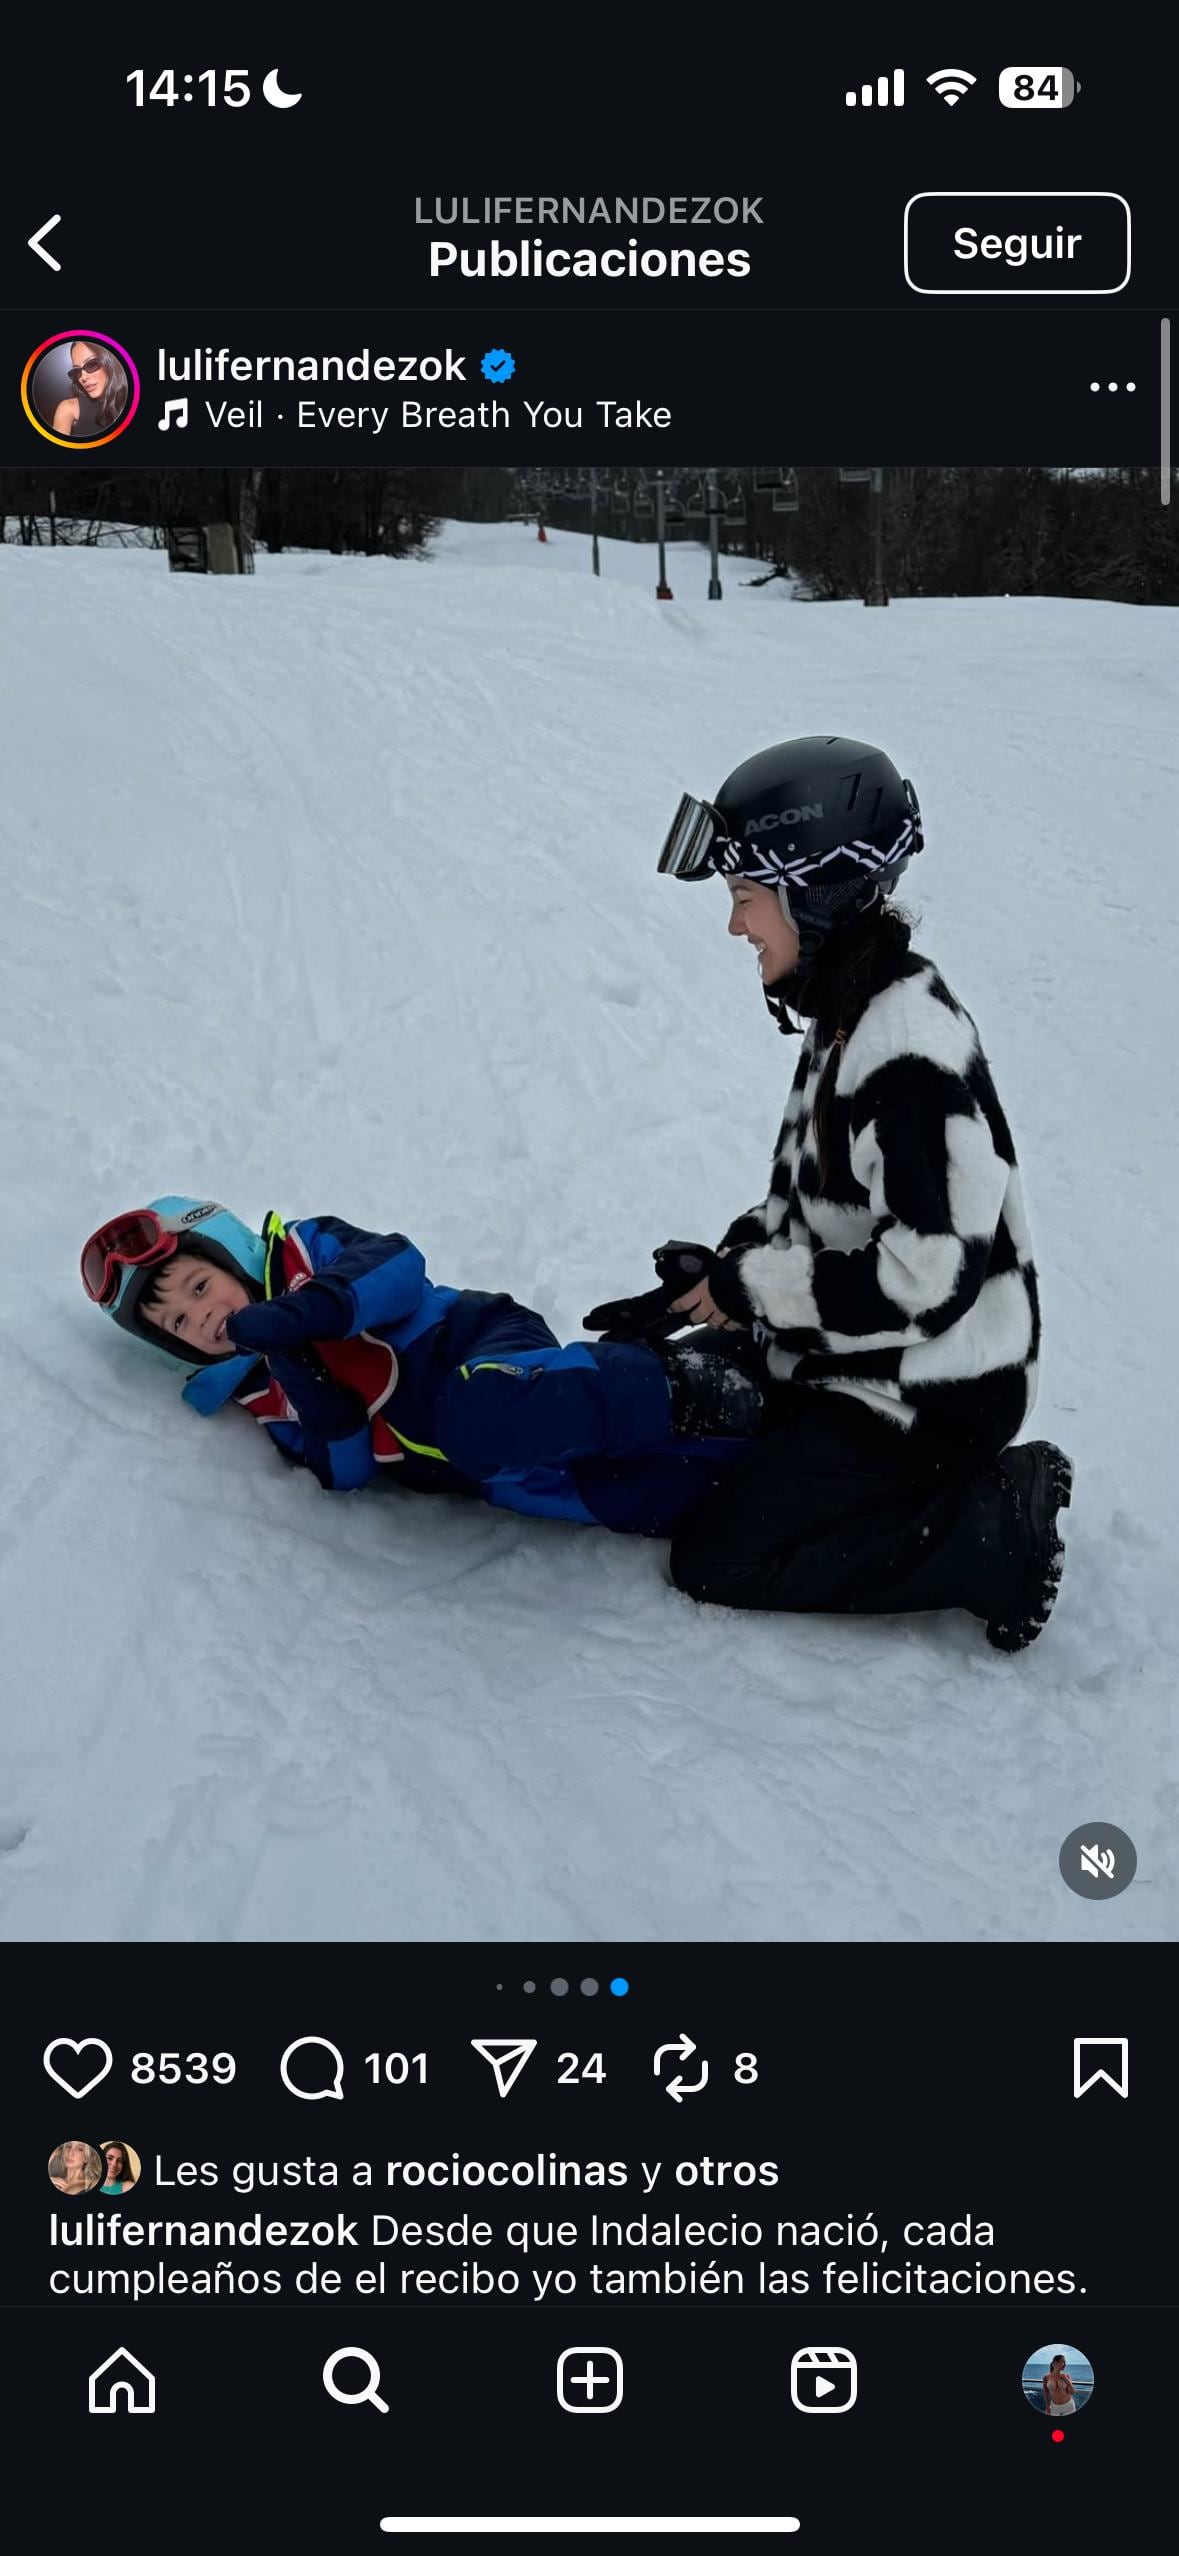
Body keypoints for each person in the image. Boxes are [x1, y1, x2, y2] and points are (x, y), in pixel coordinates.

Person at [593, 736, 1073, 1650]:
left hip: (929, 1394)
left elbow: (926, 1278)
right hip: (860, 1357)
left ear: (812, 894)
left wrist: (752, 1292)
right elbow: (824, 1206)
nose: (736, 926)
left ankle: (994, 1528)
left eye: (744, 899)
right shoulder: (851, 1011)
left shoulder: (904, 1045)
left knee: (719, 1557)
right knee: (667, 1410)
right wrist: (726, 1268)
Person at [81, 1199, 765, 1540]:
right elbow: (342, 1473)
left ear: (231, 1257)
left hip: (479, 1352)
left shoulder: (308, 1251)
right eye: (177, 1324)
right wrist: (314, 1395)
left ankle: (690, 1386)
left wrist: (308, 1314)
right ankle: (759, 1465)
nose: (199, 1318)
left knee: (481, 1413)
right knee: (632, 1495)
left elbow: (396, 1267)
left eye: (200, 1289)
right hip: (482, 1468)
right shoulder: (262, 1393)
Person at [51, 339, 129, 437]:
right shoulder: (69, 408)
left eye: (91, 364)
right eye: (77, 371)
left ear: (110, 362)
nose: (83, 378)